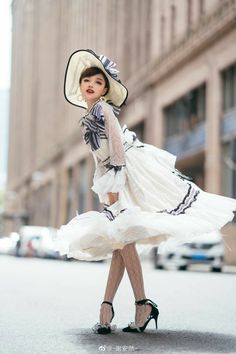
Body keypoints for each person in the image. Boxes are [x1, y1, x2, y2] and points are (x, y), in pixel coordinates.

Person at [55, 49, 236, 334]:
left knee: (123, 239)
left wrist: (113, 187)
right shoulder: (88, 116)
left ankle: (137, 305)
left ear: (105, 89)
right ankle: (109, 309)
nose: (91, 84)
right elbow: (96, 157)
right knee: (120, 242)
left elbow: (115, 145)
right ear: (80, 86)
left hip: (126, 173)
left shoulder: (103, 109)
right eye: (86, 80)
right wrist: (103, 187)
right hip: (110, 178)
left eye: (98, 82)